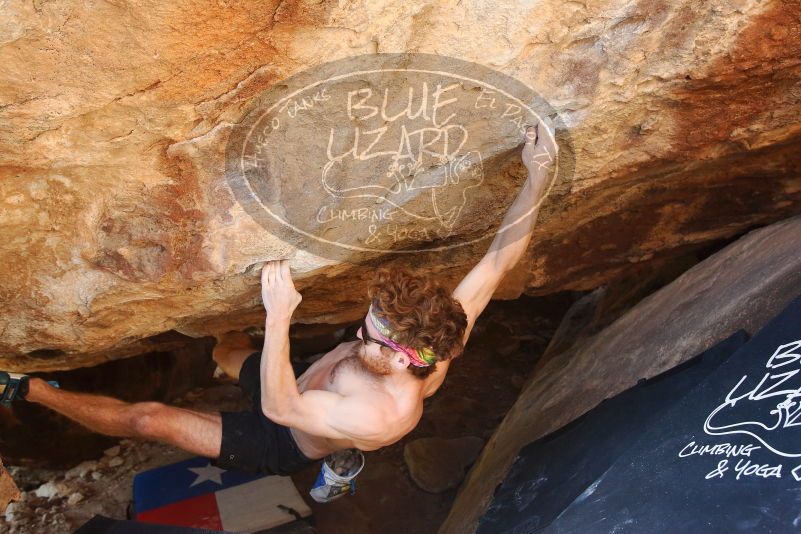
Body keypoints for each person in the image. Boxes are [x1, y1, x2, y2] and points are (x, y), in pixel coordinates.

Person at [2, 123, 557, 476]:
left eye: (368, 334)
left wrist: (281, 316)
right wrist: (536, 178)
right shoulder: (437, 336)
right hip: (302, 379)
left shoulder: (380, 414)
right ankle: (222, 361)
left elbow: (279, 408)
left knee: (150, 420)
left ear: (398, 356)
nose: (359, 332)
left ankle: (31, 391)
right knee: (225, 350)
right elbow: (495, 262)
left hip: (284, 434)